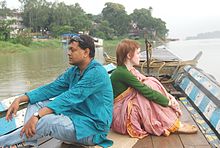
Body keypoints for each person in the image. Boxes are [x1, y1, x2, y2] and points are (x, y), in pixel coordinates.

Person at [0, 35, 113, 147]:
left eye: (73, 50)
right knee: (36, 102)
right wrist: (19, 99)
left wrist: (37, 116)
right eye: (69, 49)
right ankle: (29, 143)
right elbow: (51, 88)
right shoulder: (74, 71)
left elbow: (69, 98)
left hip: (91, 129)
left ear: (86, 52)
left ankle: (2, 142)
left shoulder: (96, 73)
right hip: (74, 117)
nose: (68, 53)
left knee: (47, 121)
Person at [110, 39, 197, 138]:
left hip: (125, 108)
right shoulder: (122, 73)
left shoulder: (130, 70)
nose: (140, 56)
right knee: (143, 97)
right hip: (120, 114)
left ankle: (169, 122)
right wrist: (167, 102)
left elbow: (146, 85)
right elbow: (146, 91)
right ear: (129, 56)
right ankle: (170, 124)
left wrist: (169, 96)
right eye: (138, 53)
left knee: (149, 82)